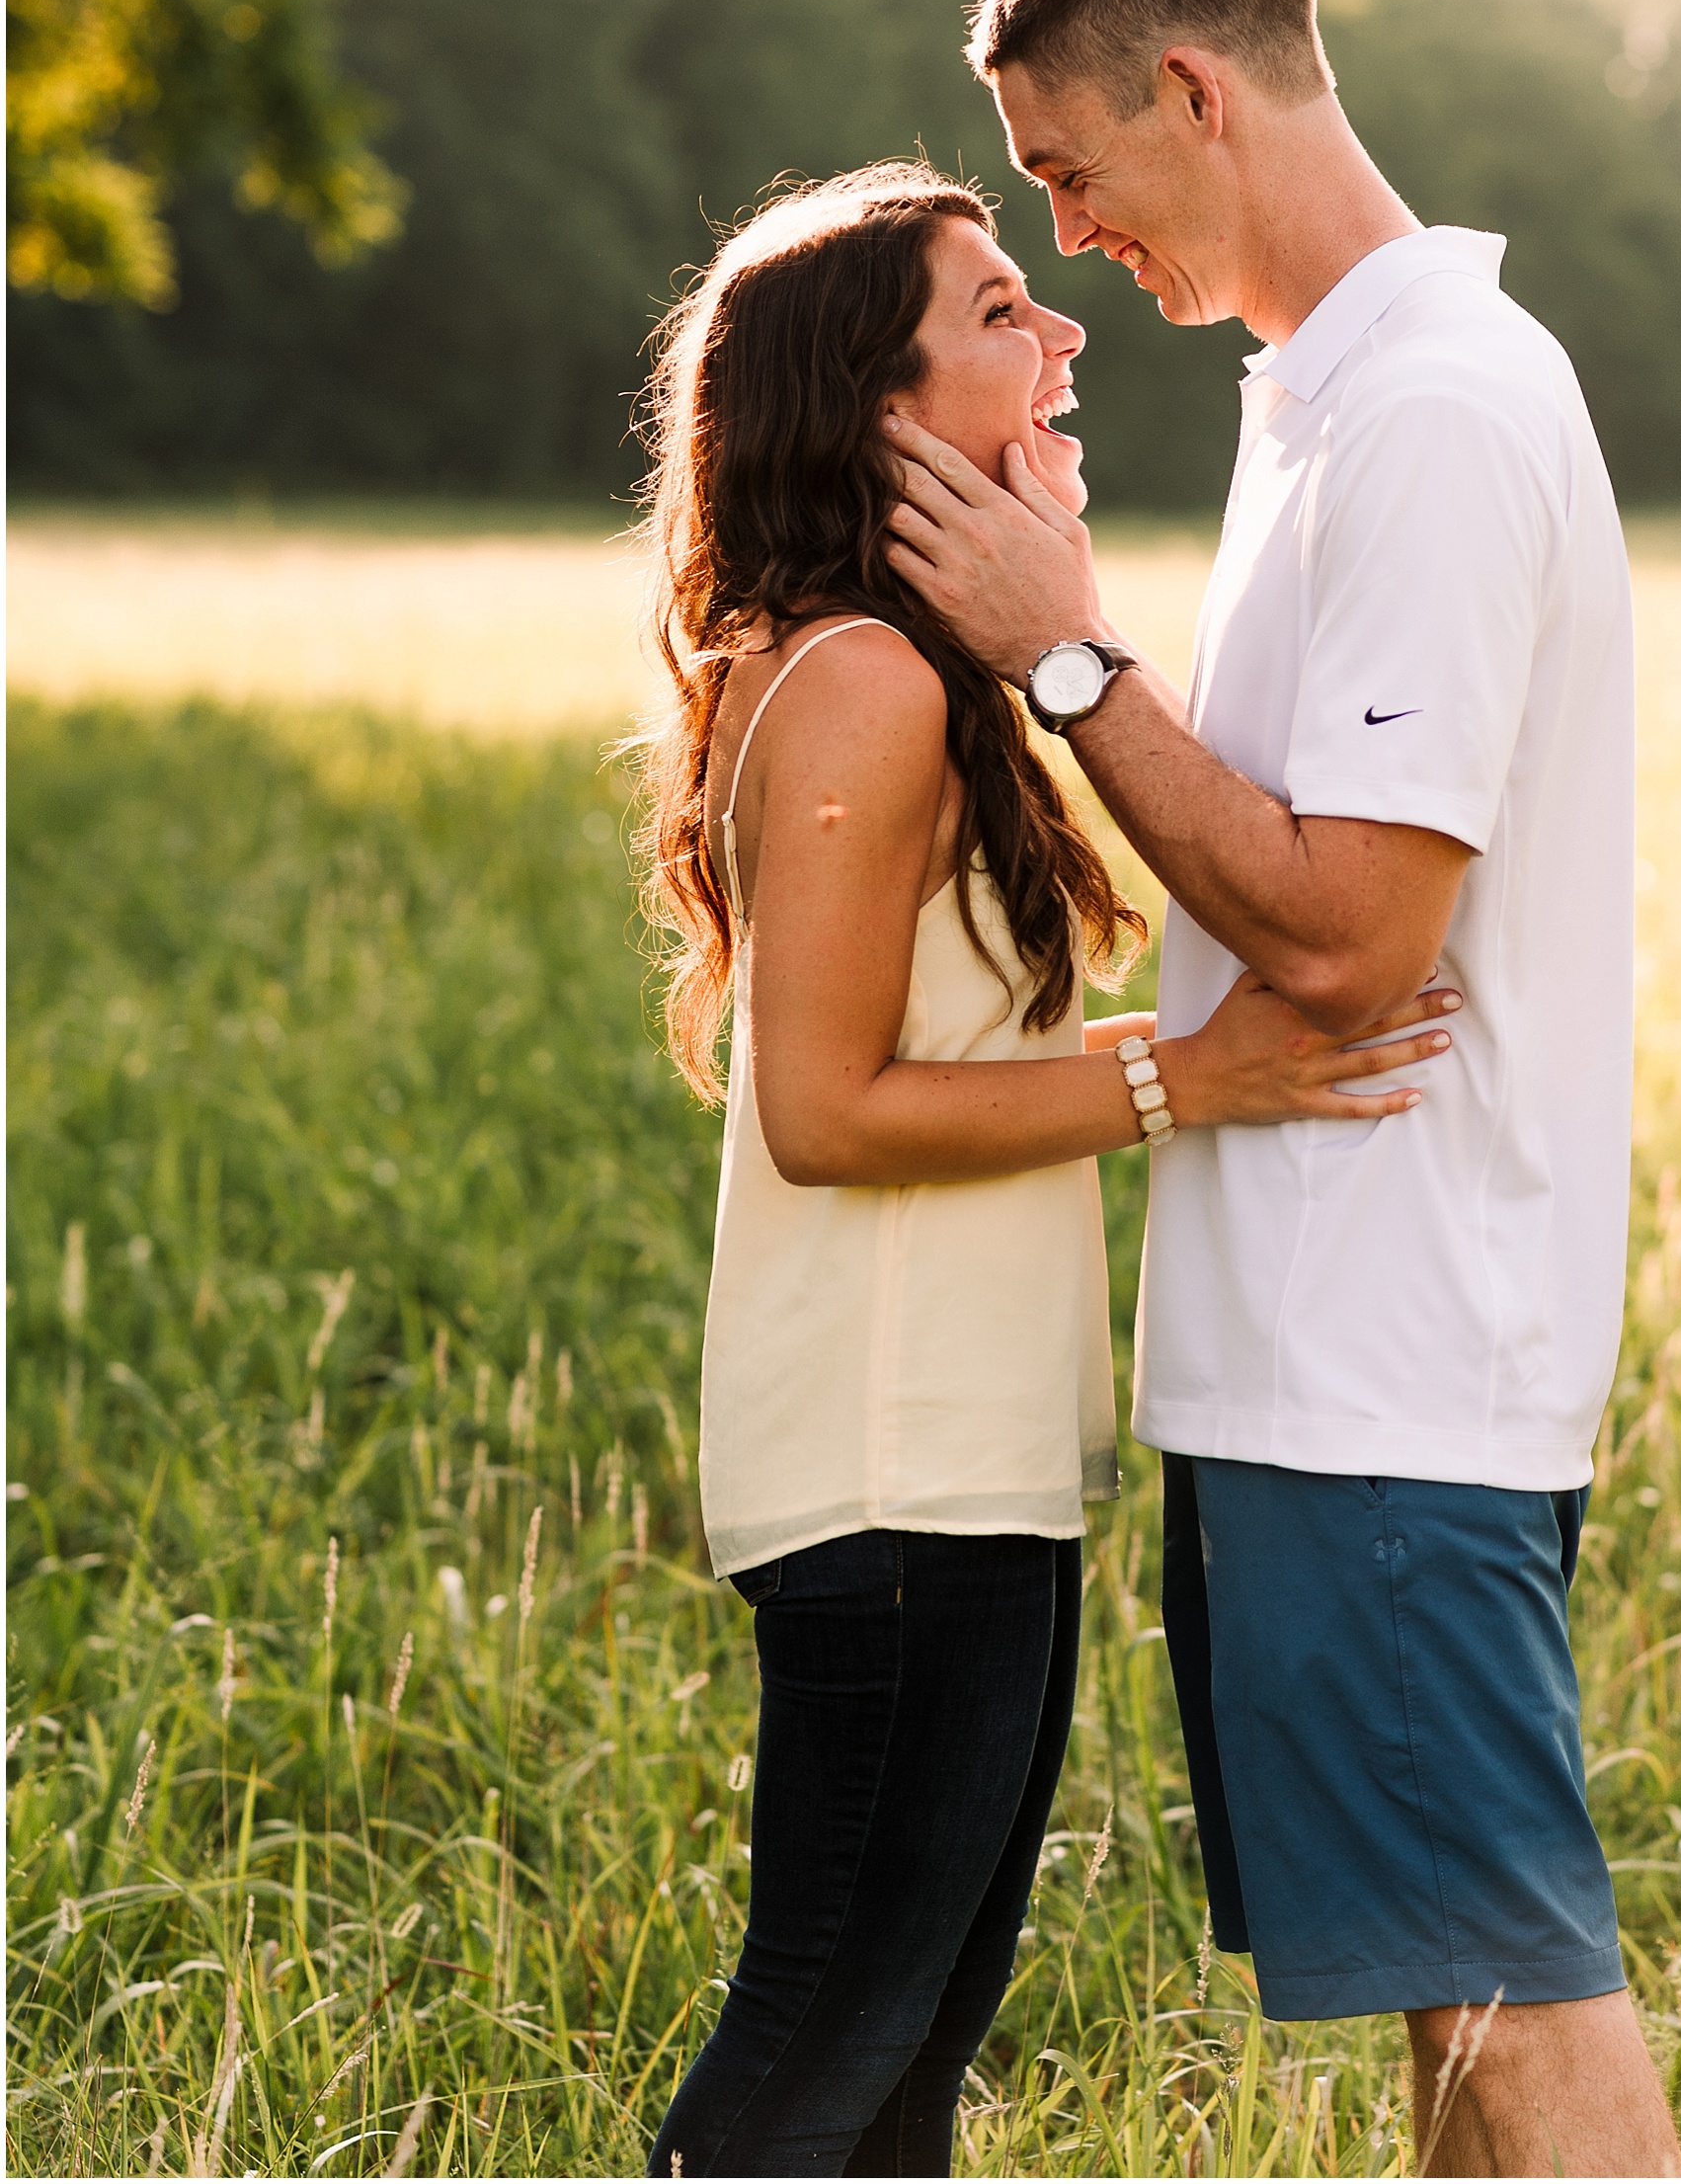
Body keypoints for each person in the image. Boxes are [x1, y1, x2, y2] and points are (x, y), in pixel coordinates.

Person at [883, 0, 1681, 2179]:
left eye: (1067, 169)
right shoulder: (1323, 403)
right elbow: (1253, 863)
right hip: (1317, 1367)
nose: (1067, 230)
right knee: (1455, 2010)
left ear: (1194, 91)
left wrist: (1065, 663)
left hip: (1391, 1365)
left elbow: (1346, 936)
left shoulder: (1431, 408)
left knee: (1514, 2006)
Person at [633, 160, 1458, 2180]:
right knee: (814, 2063)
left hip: (962, 1466)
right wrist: (1190, 1080)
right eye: (1000, 308)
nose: (1064, 327)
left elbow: (944, 1062)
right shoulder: (862, 683)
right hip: (890, 1468)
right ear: (883, 411)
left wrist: (1191, 1061)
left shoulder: (909, 676)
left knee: (898, 2079)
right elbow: (823, 1111)